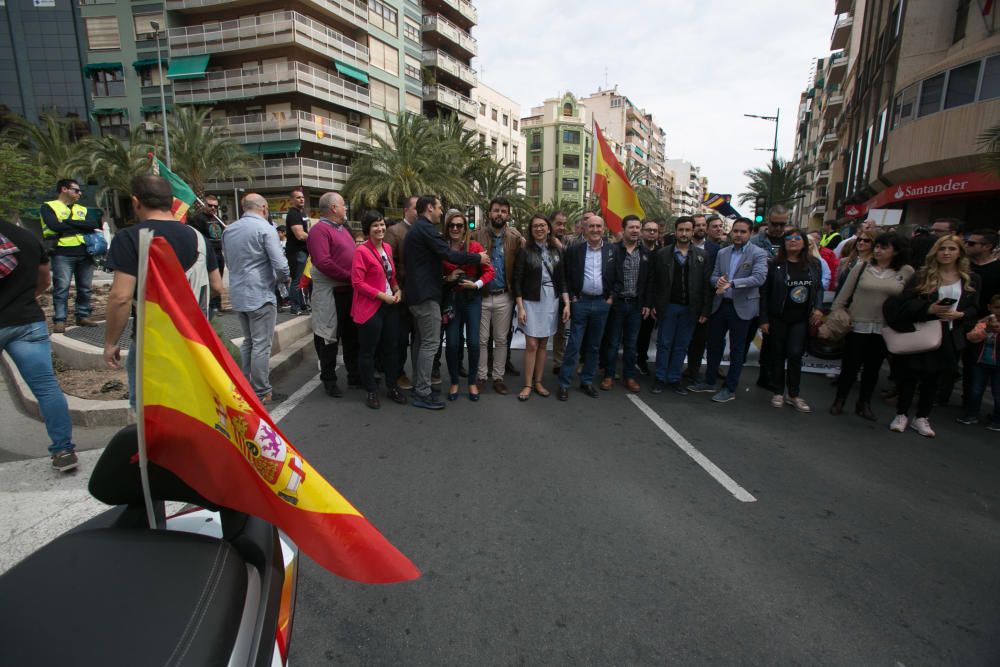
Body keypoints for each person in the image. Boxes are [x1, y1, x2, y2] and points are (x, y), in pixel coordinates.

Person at [103, 176, 222, 407]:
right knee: (193, 405)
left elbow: (121, 297)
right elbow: (216, 286)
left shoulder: (128, 238)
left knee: (150, 409)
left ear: (136, 202)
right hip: (194, 341)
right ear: (172, 202)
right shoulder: (198, 238)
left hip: (152, 342)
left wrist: (110, 342)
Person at [0, 218, 78, 471]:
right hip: (26, 321)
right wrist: (21, 299)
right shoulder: (26, 238)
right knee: (46, 388)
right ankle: (63, 449)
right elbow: (45, 280)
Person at [883, 235, 979, 437]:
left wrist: (961, 314)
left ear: (959, 253)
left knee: (934, 379)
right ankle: (901, 414)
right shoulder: (922, 276)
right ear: (935, 252)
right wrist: (929, 309)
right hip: (922, 332)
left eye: (951, 249)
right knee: (909, 375)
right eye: (942, 248)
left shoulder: (970, 278)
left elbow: (974, 309)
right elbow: (904, 304)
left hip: (950, 334)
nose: (946, 253)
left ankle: (922, 417)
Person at [404, 195, 489, 410]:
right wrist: (477, 259)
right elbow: (448, 254)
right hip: (425, 296)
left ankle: (419, 386)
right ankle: (422, 392)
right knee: (430, 343)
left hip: (419, 294)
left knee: (421, 342)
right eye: (440, 208)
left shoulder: (419, 228)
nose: (442, 213)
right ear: (430, 208)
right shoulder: (426, 228)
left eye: (460, 225)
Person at [829, 232, 913, 420]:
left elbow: (908, 301)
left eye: (884, 247)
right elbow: (843, 296)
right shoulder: (862, 267)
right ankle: (840, 399)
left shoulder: (906, 272)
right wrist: (838, 312)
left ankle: (864, 403)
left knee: (873, 368)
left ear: (896, 251)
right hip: (858, 324)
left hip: (884, 327)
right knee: (850, 366)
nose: (877, 250)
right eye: (877, 246)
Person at [688, 218, 769, 403]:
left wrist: (732, 283)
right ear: (731, 232)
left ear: (750, 233)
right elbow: (714, 275)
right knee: (714, 345)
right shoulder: (723, 252)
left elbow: (759, 278)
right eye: (736, 231)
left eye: (743, 232)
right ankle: (709, 381)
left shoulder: (758, 253)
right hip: (720, 305)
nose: (738, 235)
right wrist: (717, 282)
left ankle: (729, 388)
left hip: (742, 308)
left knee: (737, 350)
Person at [222, 193, 290, 403]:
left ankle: (246, 386)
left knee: (249, 342)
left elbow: (229, 262)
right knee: (261, 344)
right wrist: (284, 279)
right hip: (260, 293)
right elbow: (280, 264)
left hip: (239, 293)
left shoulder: (229, 230)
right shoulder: (265, 229)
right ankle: (262, 391)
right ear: (263, 207)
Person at [759, 228, 825, 412]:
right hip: (778, 317)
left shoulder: (814, 264)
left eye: (797, 238)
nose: (793, 241)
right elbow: (764, 293)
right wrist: (763, 319)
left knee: (795, 354)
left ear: (804, 242)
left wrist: (819, 308)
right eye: (788, 239)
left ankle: (794, 394)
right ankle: (778, 392)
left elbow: (818, 288)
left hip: (801, 318)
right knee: (777, 354)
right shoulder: (774, 264)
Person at [647, 217, 711, 395]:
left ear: (692, 232)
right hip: (668, 307)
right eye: (681, 230)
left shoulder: (702, 256)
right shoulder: (662, 254)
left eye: (687, 230)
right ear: (675, 231)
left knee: (681, 345)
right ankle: (660, 378)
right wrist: (653, 304)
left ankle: (675, 379)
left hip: (690, 309)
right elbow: (654, 281)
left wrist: (705, 310)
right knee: (664, 343)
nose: (684, 233)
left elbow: (706, 285)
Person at [351, 211, 406, 409]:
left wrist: (398, 289)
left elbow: (390, 276)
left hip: (389, 305)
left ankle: (392, 386)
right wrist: (383, 296)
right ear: (368, 230)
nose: (380, 228)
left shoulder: (388, 248)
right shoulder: (361, 251)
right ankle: (371, 390)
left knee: (392, 349)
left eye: (382, 224)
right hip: (370, 308)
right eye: (375, 225)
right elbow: (357, 283)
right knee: (368, 351)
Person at [306, 192, 359, 398]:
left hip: (348, 291)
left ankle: (354, 375)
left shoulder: (343, 229)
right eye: (343, 205)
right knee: (329, 338)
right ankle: (329, 380)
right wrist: (350, 276)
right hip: (331, 292)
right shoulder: (319, 231)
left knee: (351, 336)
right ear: (334, 208)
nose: (346, 208)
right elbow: (323, 262)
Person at [557, 215, 616, 401]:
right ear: (584, 228)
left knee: (594, 345)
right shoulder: (574, 250)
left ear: (604, 228)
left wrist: (611, 297)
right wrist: (572, 298)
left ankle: (587, 381)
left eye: (599, 226)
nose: (595, 230)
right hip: (580, 302)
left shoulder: (612, 251)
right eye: (591, 226)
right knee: (574, 344)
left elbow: (618, 276)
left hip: (602, 303)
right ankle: (564, 384)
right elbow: (565, 276)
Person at [514, 214, 568, 401]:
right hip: (530, 300)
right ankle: (528, 384)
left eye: (542, 225)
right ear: (531, 230)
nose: (539, 229)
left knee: (544, 344)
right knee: (531, 344)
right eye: (535, 226)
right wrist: (520, 307)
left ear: (548, 228)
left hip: (550, 300)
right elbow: (517, 281)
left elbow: (562, 279)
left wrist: (567, 303)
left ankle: (538, 381)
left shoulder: (557, 251)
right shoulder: (525, 251)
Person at [441, 209, 494, 402]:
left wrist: (477, 283)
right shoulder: (443, 248)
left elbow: (490, 272)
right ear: (447, 228)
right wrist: (448, 277)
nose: (455, 228)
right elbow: (434, 274)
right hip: (452, 300)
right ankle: (454, 382)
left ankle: (472, 382)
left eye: (459, 225)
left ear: (465, 228)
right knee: (453, 343)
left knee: (473, 342)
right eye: (452, 225)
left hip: (472, 299)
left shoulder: (475, 246)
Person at [39, 178, 100, 333]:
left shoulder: (82, 209)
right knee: (62, 287)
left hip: (85, 252)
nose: (79, 193)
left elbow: (93, 225)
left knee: (85, 288)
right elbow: (53, 226)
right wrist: (80, 226)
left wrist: (66, 223)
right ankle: (60, 320)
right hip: (61, 252)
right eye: (76, 190)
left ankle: (83, 315)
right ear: (64, 189)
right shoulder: (49, 207)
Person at [476, 197, 523, 394]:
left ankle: (498, 377)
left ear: (508, 215)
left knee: (502, 339)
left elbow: (522, 266)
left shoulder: (515, 237)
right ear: (489, 213)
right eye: (496, 210)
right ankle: (480, 376)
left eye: (504, 211)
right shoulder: (476, 236)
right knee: (481, 339)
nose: (499, 214)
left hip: (505, 296)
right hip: (482, 295)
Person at [600, 215, 649, 393]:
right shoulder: (613, 250)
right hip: (617, 304)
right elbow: (606, 276)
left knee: (631, 343)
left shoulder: (645, 254)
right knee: (612, 342)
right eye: (632, 227)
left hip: (636, 305)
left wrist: (646, 303)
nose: (635, 231)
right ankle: (609, 375)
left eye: (638, 227)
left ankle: (629, 377)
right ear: (623, 230)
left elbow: (648, 281)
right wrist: (610, 296)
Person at [962, 229, 1000, 406]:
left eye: (972, 243)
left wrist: (992, 317)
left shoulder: (997, 269)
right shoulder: (963, 264)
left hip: (985, 323)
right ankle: (941, 394)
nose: (966, 245)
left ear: (987, 247)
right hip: (959, 317)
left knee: (974, 363)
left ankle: (969, 401)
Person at [384, 195, 418, 390]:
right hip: (401, 295)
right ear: (406, 210)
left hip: (418, 294)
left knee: (418, 337)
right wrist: (398, 289)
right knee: (399, 338)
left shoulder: (422, 231)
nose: (420, 211)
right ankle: (398, 373)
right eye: (416, 208)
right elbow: (388, 266)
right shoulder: (394, 231)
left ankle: (420, 372)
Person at [958, 295, 1000, 430]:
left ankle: (997, 419)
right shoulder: (983, 322)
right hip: (980, 363)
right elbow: (971, 337)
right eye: (997, 307)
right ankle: (971, 414)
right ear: (990, 307)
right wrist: (987, 328)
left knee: (998, 393)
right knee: (975, 390)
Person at [187, 195, 225, 315]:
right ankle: (212, 305)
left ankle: (218, 305)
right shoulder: (198, 219)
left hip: (219, 253)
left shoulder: (218, 219)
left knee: (220, 277)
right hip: (208, 254)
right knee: (210, 280)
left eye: (215, 206)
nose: (213, 208)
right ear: (204, 205)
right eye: (210, 205)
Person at [636, 218, 662, 376]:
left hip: (652, 302)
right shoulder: (633, 250)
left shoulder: (663, 253)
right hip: (633, 300)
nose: (652, 233)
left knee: (645, 334)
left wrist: (653, 303)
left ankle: (641, 360)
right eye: (648, 230)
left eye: (655, 230)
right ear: (641, 232)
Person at [550, 210, 571, 375]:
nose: (562, 227)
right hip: (540, 294)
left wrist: (561, 248)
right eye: (558, 223)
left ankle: (558, 362)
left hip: (561, 293)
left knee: (560, 331)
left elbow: (572, 262)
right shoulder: (539, 241)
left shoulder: (569, 243)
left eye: (564, 224)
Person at [283, 188, 310, 315]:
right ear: (292, 200)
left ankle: (302, 305)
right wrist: (316, 237)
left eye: (302, 197)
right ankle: (295, 307)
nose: (302, 199)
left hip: (303, 251)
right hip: (296, 252)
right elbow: (299, 235)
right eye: (298, 197)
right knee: (296, 280)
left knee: (301, 280)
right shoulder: (293, 214)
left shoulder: (302, 214)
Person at [835, 228, 876, 293]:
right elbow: (837, 283)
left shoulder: (875, 264)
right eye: (859, 239)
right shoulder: (844, 261)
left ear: (873, 243)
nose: (861, 242)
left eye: (866, 240)